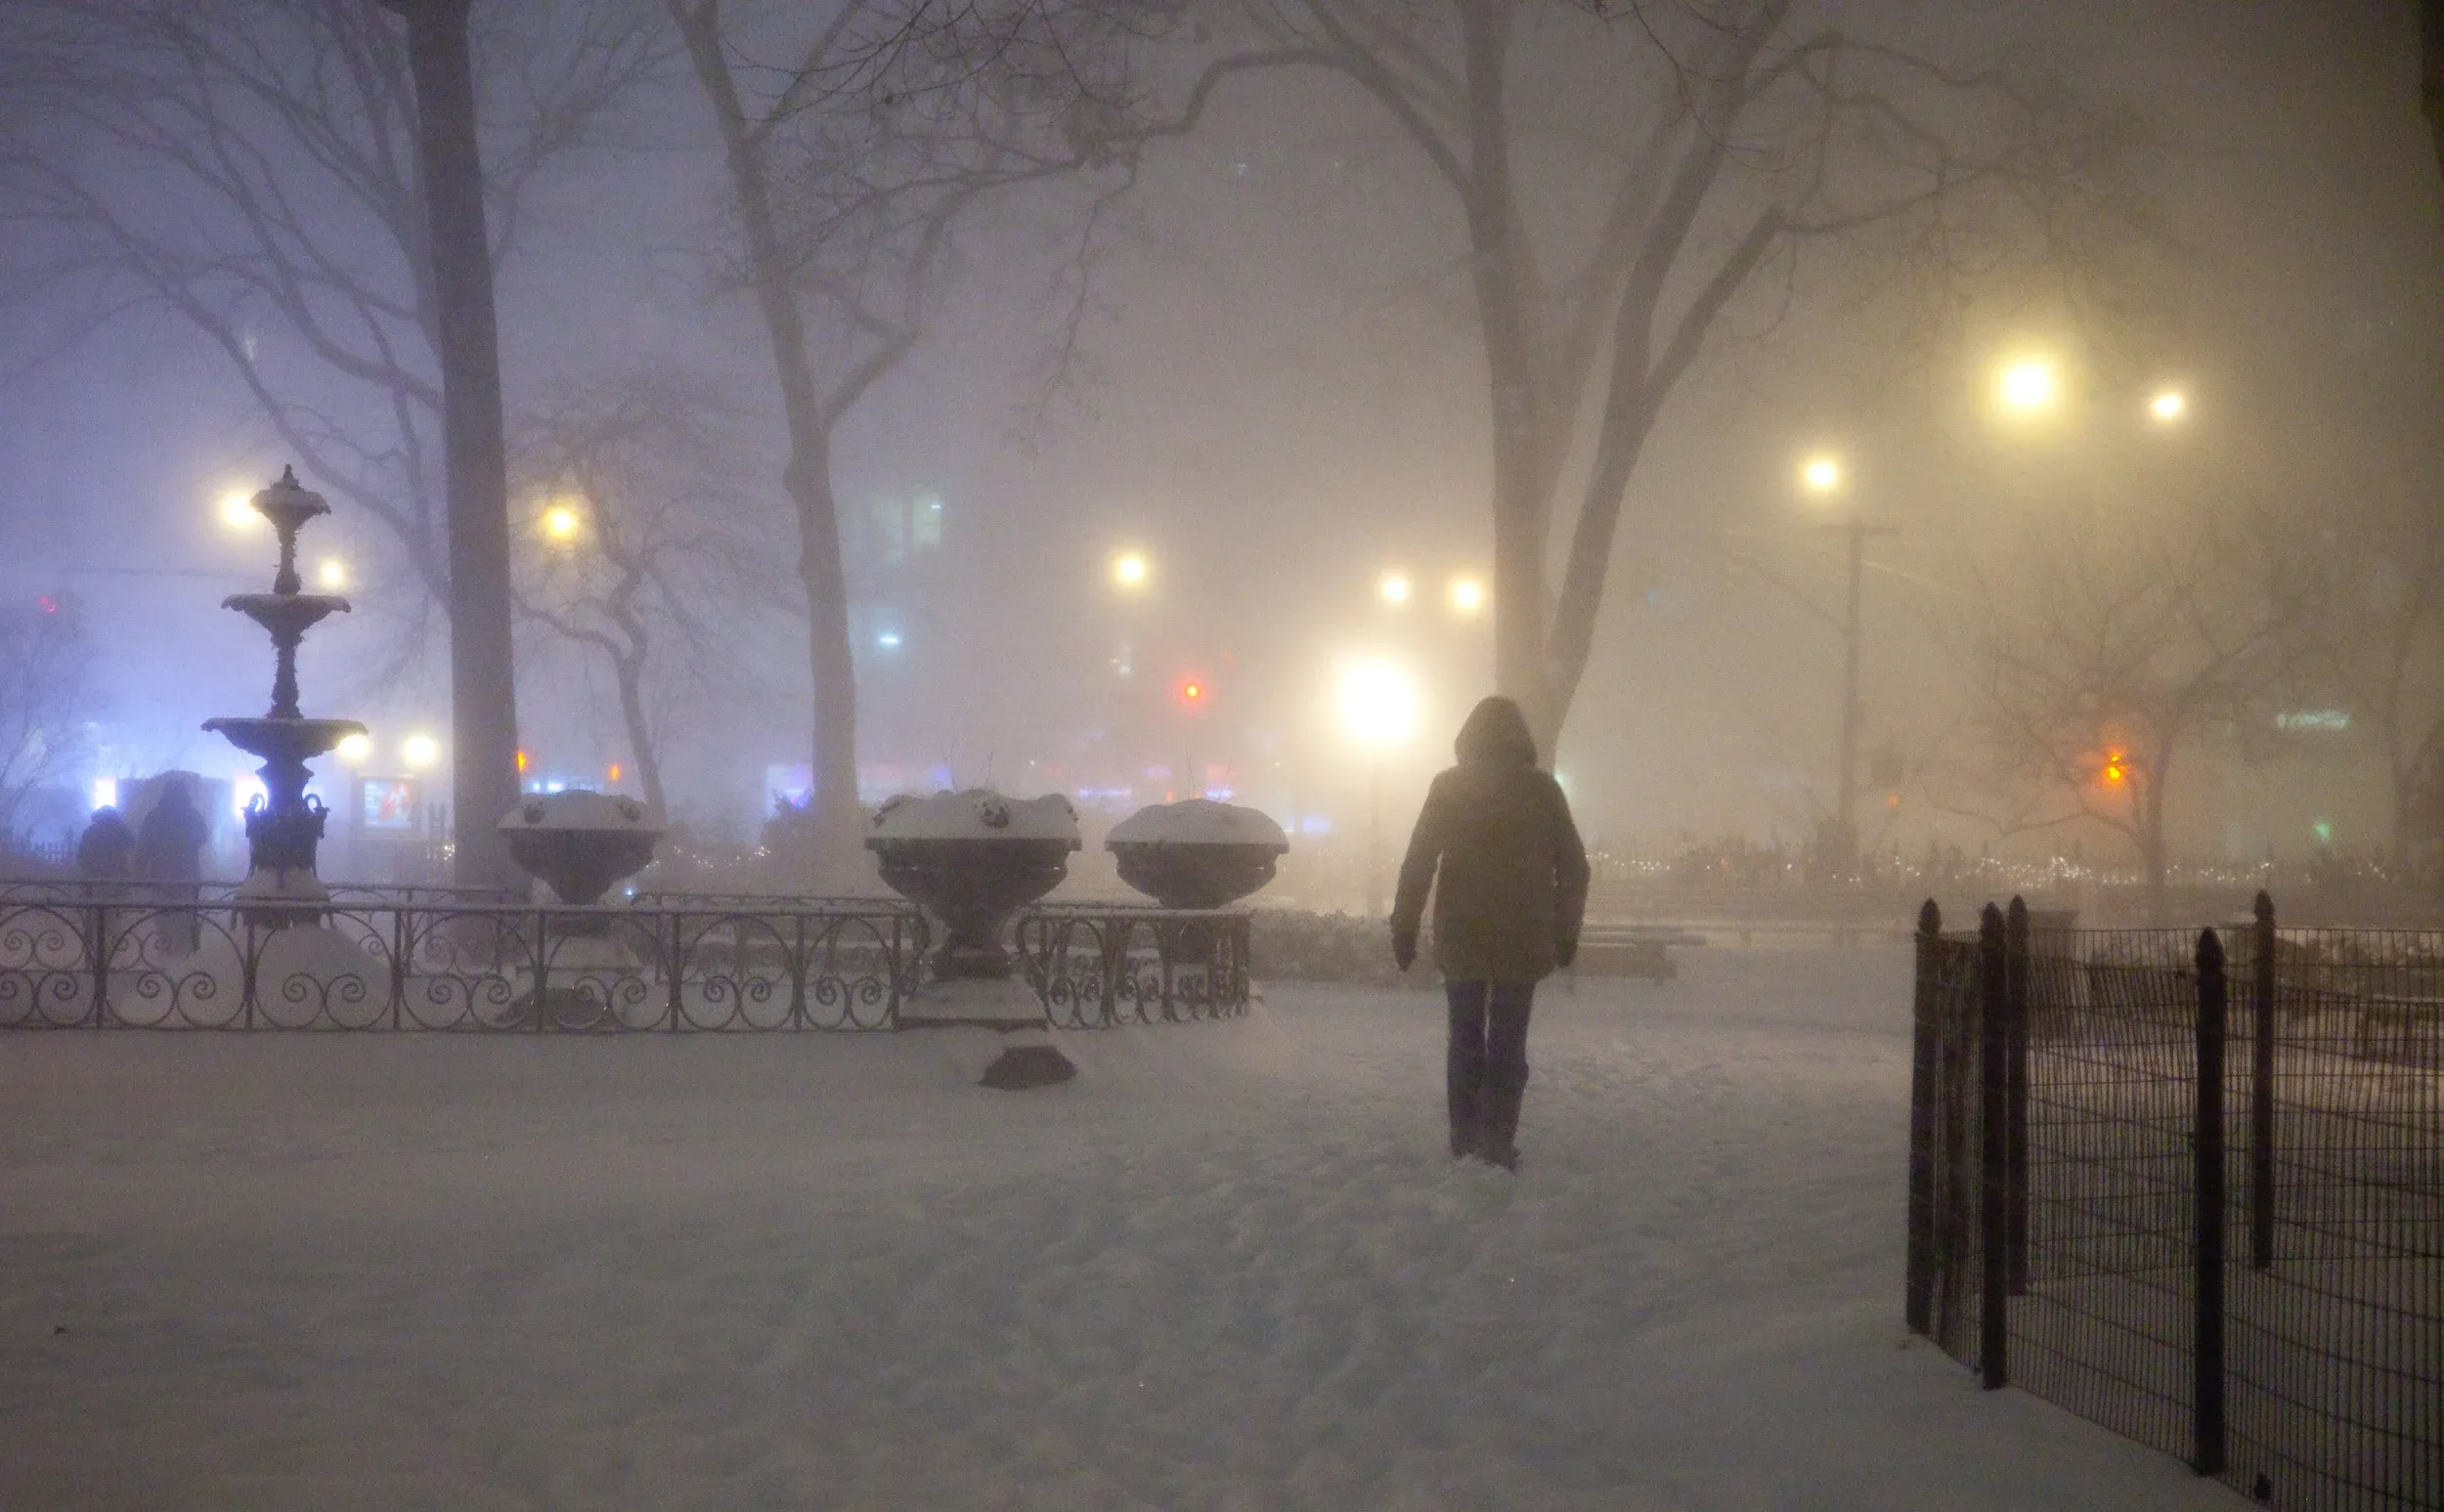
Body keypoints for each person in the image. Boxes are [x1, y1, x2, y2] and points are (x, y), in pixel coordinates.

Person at [1389, 695, 1589, 1172]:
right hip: (1524, 935)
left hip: (1463, 932)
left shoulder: (1449, 788)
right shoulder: (1543, 791)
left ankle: (1464, 1138)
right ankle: (1497, 1141)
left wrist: (1404, 925)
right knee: (1508, 1043)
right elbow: (1574, 867)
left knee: (1464, 1038)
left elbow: (1419, 860)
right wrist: (1565, 932)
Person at [135, 776, 211, 954]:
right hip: (187, 874)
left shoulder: (155, 816)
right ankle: (185, 953)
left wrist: (140, 869)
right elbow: (203, 836)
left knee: (164, 919)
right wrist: (186, 847)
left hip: (161, 875)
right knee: (186, 917)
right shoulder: (192, 815)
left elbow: (144, 845)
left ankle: (165, 951)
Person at [74, 805, 136, 882]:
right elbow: (131, 843)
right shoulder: (119, 830)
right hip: (116, 873)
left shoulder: (91, 831)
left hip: (94, 875)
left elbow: (82, 855)